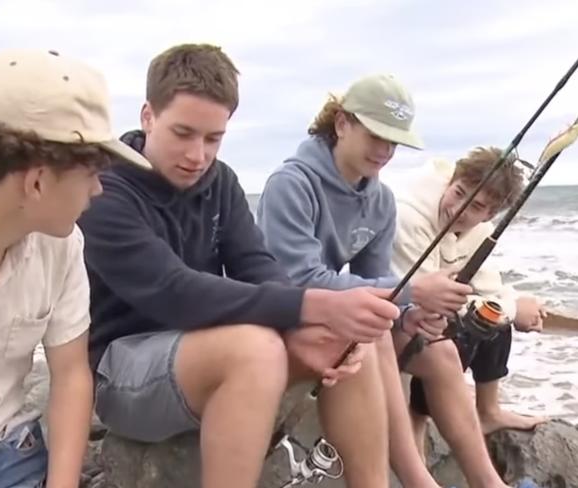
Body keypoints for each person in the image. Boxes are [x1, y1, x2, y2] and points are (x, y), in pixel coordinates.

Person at [78, 43, 405, 488]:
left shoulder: (221, 181)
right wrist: (312, 307)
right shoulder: (104, 189)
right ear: (147, 116)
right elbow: (176, 293)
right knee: (259, 347)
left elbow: (258, 266)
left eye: (213, 139)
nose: (198, 155)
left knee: (344, 337)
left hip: (205, 351)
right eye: (183, 133)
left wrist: (308, 326)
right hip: (122, 370)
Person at [256, 74, 523, 488]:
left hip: (338, 318)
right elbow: (299, 282)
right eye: (375, 134)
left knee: (443, 354)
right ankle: (418, 480)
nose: (384, 150)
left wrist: (409, 314)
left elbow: (372, 280)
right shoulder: (291, 185)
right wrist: (411, 292)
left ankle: (489, 482)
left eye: (393, 141)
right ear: (341, 123)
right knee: (371, 331)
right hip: (284, 318)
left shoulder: (379, 201)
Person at [0, 49, 150, 488]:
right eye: (90, 173)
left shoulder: (62, 246)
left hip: (16, 449)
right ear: (37, 182)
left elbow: (69, 375)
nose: (99, 189)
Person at [391, 148, 547, 453]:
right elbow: (426, 303)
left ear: (490, 215)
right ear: (452, 180)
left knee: (494, 320)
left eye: (475, 207)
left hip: (427, 319)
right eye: (459, 193)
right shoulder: (408, 215)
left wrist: (517, 306)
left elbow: (489, 289)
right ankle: (417, 418)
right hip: (396, 321)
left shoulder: (481, 230)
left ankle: (488, 411)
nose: (459, 209)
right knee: (452, 329)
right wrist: (514, 309)